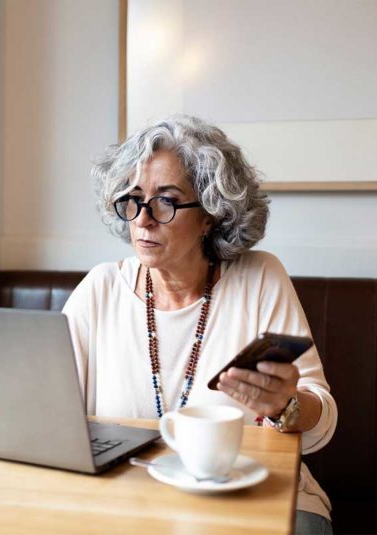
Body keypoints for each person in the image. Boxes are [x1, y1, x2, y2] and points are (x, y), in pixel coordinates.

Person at [62, 115, 337, 534]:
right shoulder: (100, 289)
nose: (143, 219)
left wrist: (286, 404)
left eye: (166, 201)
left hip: (261, 498)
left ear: (211, 213)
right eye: (133, 198)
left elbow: (321, 421)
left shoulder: (260, 278)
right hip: (131, 501)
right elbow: (53, 416)